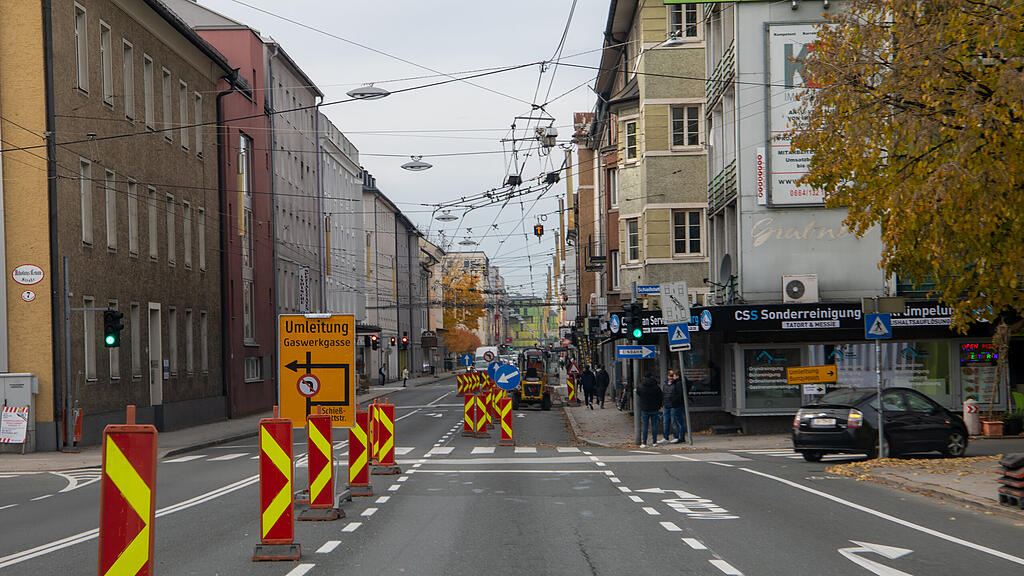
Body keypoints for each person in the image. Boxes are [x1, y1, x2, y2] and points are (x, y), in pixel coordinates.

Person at [636, 372, 663, 447]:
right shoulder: (656, 386)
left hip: (645, 408)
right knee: (654, 425)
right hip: (654, 408)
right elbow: (660, 396)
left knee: (645, 426)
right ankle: (654, 442)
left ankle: (644, 442)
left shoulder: (641, 386)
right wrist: (659, 406)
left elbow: (638, 393)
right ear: (651, 377)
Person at [659, 370, 685, 444]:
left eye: (672, 376)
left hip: (673, 405)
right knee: (666, 421)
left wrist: (672, 401)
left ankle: (676, 436)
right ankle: (665, 437)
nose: (671, 377)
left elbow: (678, 394)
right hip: (666, 405)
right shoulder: (665, 384)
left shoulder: (676, 384)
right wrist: (663, 403)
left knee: (674, 422)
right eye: (670, 376)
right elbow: (664, 394)